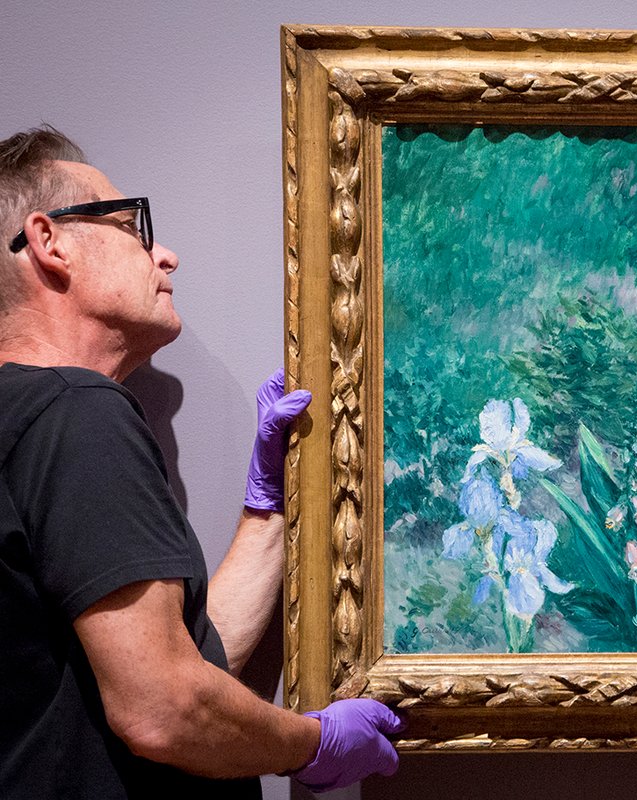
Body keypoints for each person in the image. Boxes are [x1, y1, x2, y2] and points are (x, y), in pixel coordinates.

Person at [0, 127, 403, 797]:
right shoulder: (77, 411)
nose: (166, 256)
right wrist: (311, 743)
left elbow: (170, 659)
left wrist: (270, 506)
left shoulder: (28, 419)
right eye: (133, 227)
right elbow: (163, 708)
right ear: (50, 242)